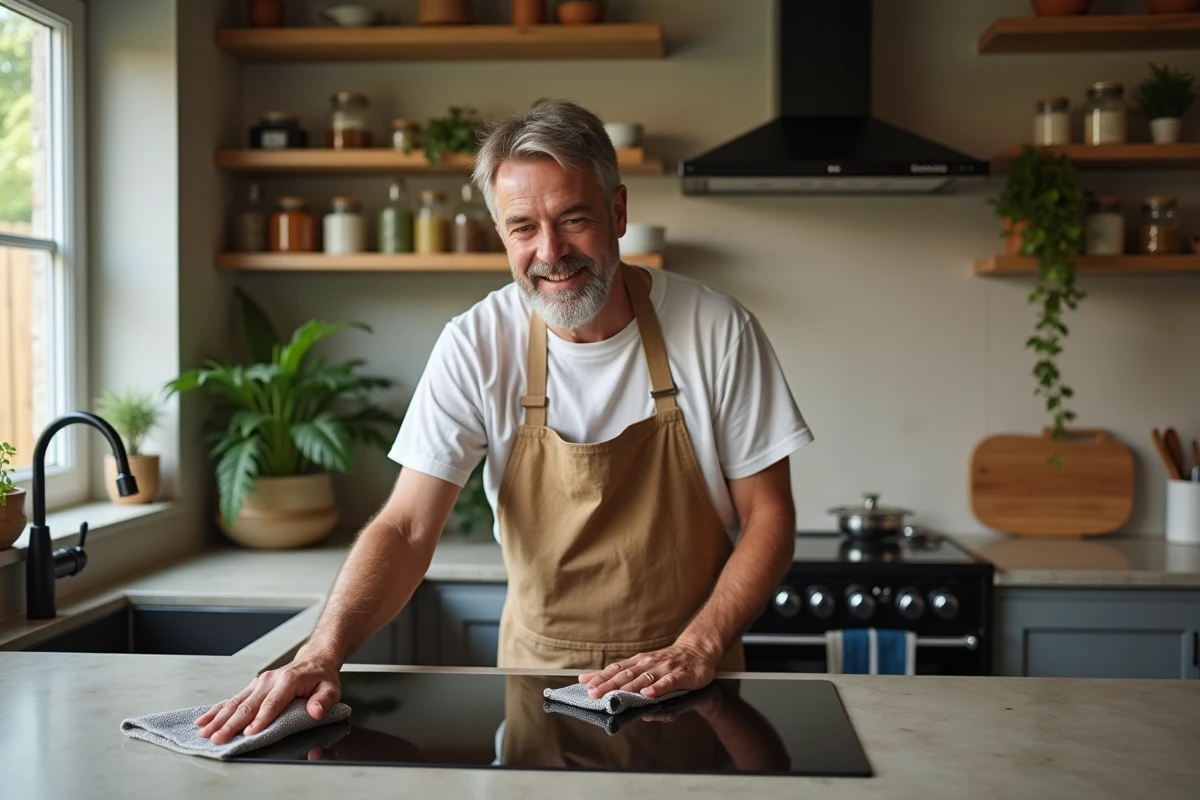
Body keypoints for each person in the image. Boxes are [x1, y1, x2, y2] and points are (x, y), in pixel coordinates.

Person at [195, 98, 812, 745]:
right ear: (500, 232)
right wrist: (322, 652)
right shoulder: (476, 343)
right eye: (523, 228)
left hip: (689, 690)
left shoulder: (717, 329)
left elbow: (769, 517)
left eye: (573, 219)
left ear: (619, 212)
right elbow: (406, 526)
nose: (551, 252)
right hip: (537, 691)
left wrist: (698, 648)